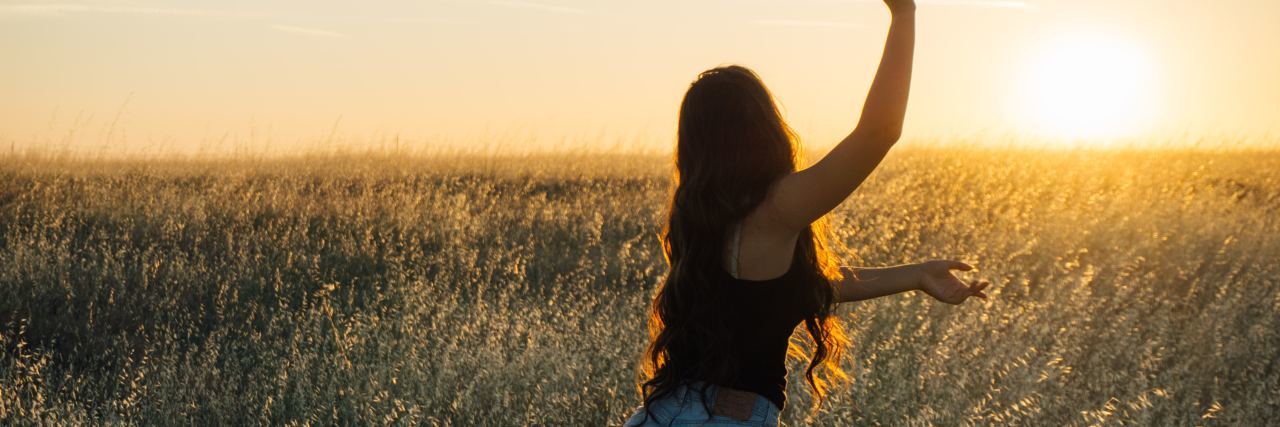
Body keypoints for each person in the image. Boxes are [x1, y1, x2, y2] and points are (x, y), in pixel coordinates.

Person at [621, 0, 991, 425]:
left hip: (658, 416)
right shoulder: (775, 207)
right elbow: (879, 132)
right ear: (763, 127)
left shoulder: (697, 219)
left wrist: (916, 274)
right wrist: (903, 16)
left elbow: (792, 290)